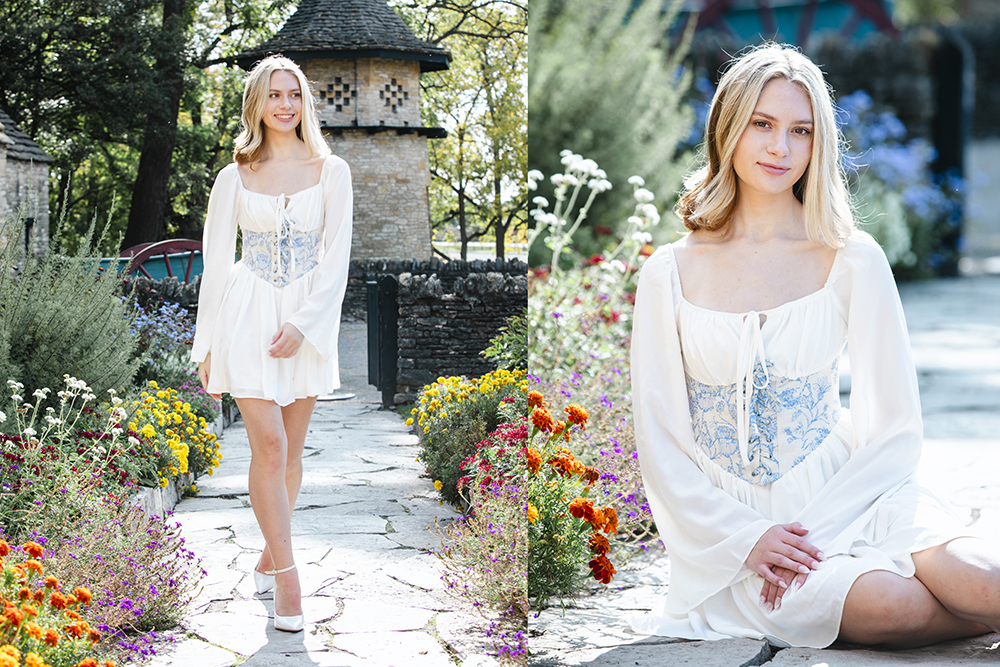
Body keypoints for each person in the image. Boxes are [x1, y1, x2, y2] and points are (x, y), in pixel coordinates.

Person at [629, 43, 999, 649]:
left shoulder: (851, 257)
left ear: (818, 142)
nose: (781, 148)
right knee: (894, 607)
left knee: (984, 581)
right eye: (763, 125)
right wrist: (752, 540)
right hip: (739, 536)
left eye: (800, 130)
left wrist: (818, 533)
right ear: (728, 129)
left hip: (855, 492)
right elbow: (661, 442)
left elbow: (897, 428)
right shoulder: (668, 272)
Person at [192, 55, 353, 633]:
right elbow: (215, 263)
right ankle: (288, 577)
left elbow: (336, 260)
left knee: (292, 450)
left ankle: (266, 553)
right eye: (274, 95)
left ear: (304, 103)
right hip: (247, 315)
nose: (285, 105)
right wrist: (206, 343)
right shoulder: (233, 176)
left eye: (294, 95)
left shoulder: (330, 170)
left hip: (306, 322)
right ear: (256, 104)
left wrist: (305, 324)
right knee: (269, 446)